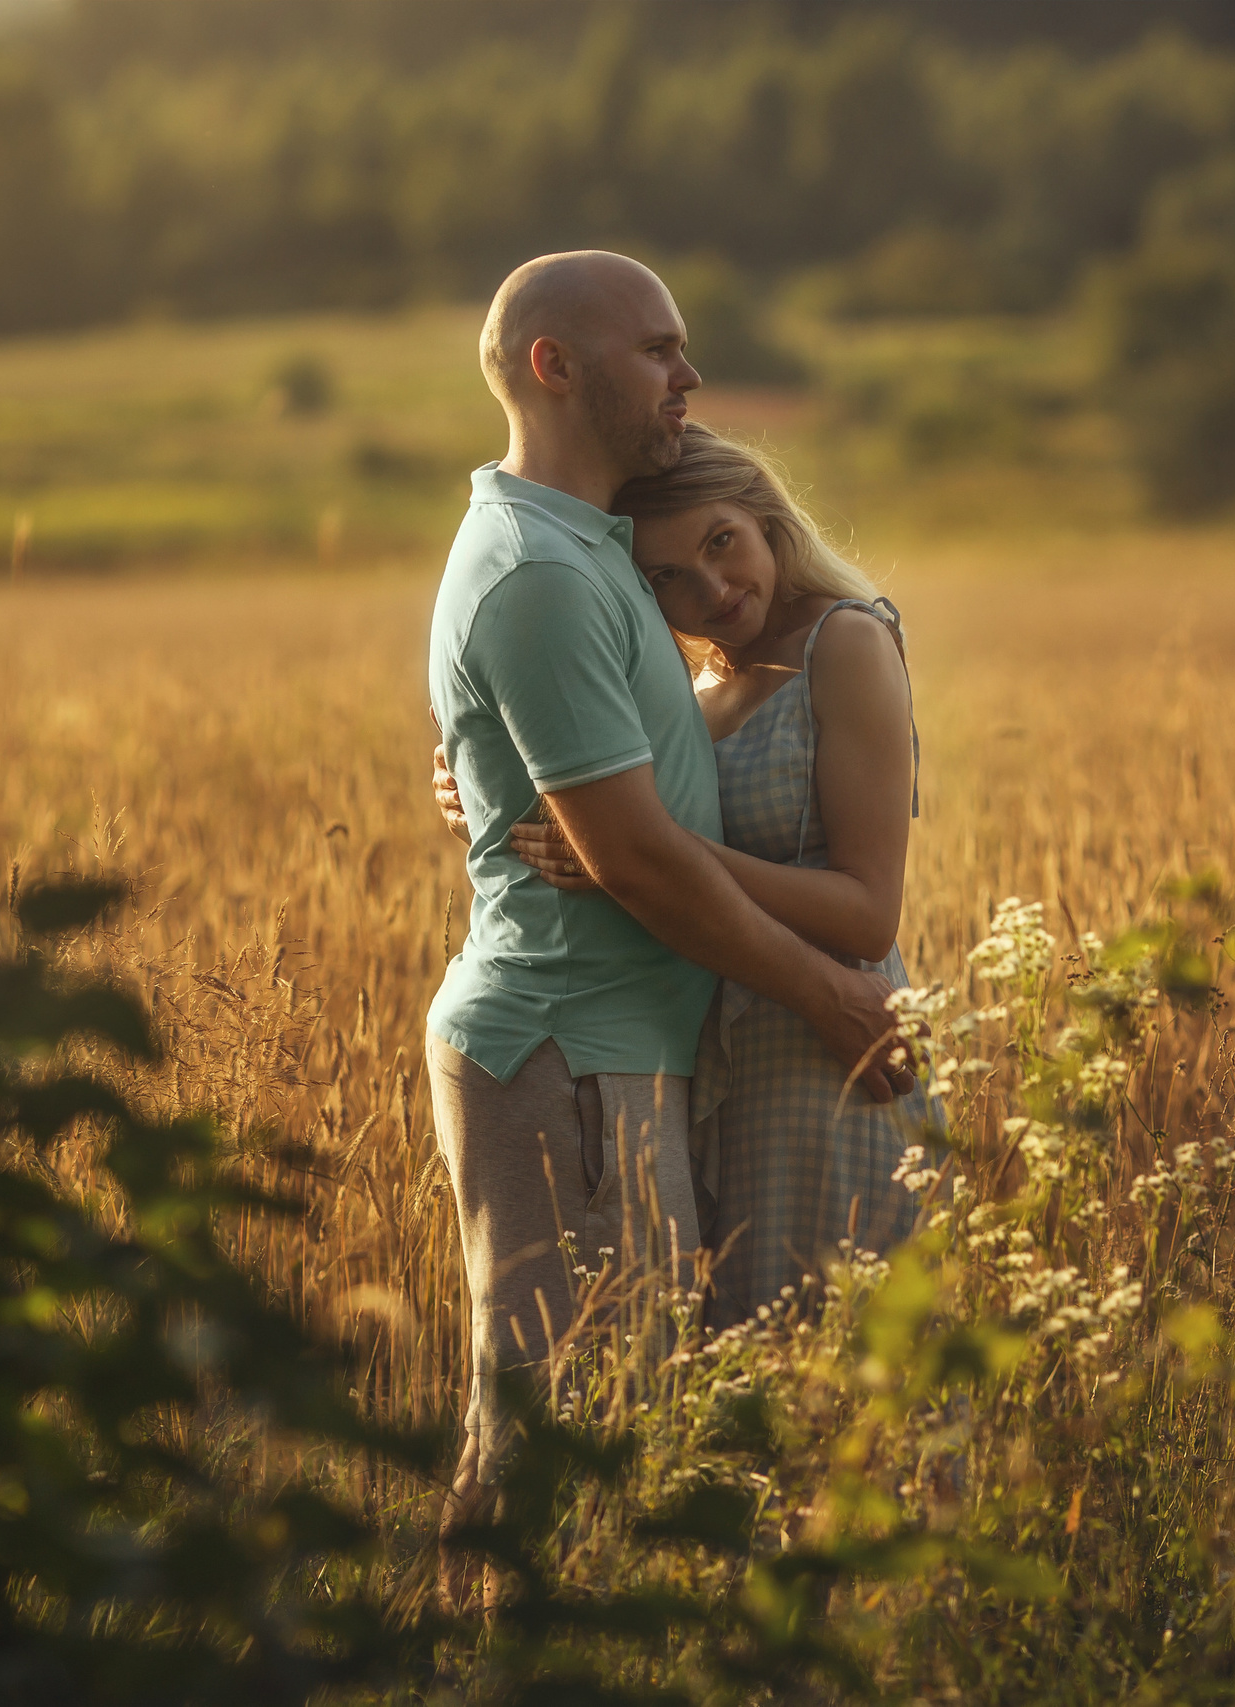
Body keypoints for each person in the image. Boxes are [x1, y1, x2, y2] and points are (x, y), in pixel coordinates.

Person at [424, 251, 906, 1590]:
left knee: (605, 1428)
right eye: (658, 349)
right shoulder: (545, 570)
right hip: (570, 1049)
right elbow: (634, 852)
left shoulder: (590, 556)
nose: (691, 375)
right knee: (562, 1442)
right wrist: (825, 989)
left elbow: (615, 789)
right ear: (553, 367)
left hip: (633, 1053)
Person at [493, 422, 935, 1329]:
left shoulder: (844, 644)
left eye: (721, 543)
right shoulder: (690, 693)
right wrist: (476, 788)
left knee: (848, 1380)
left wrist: (641, 855)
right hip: (714, 1068)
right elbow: (598, 800)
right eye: (668, 577)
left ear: (767, 518)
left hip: (831, 1060)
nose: (713, 588)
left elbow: (865, 915)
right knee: (744, 1387)